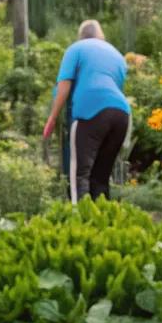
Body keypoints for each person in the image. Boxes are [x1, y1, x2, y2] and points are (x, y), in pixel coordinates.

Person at [42, 19, 130, 201]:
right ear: (101, 36)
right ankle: (103, 221)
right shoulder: (117, 55)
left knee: (79, 175)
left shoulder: (76, 49)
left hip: (91, 112)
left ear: (81, 36)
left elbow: (64, 85)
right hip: (121, 114)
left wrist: (52, 118)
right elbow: (116, 88)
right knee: (101, 177)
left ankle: (79, 223)